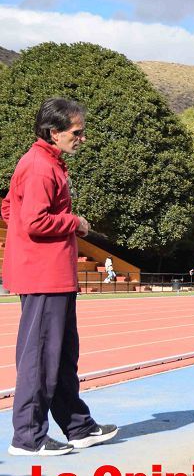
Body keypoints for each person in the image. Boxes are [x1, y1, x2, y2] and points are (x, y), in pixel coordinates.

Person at [2, 97, 117, 456]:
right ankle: (28, 437)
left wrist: (24, 234)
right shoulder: (39, 166)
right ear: (54, 132)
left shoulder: (48, 162)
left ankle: (78, 427)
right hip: (43, 276)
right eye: (76, 132)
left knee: (64, 355)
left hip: (54, 272)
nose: (82, 138)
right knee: (40, 356)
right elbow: (34, 220)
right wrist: (75, 223)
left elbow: (9, 207)